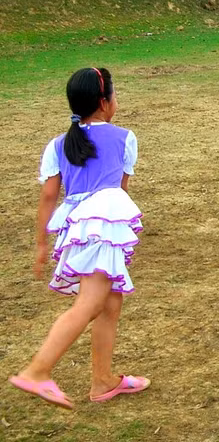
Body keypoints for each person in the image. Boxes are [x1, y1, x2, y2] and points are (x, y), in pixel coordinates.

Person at [8, 68, 149, 410]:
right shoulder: (124, 137)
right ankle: (37, 371)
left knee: (110, 302)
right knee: (89, 303)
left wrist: (43, 243)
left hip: (77, 227)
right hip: (102, 227)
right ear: (104, 103)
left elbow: (48, 198)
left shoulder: (57, 144)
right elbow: (121, 191)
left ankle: (103, 381)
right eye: (114, 96)